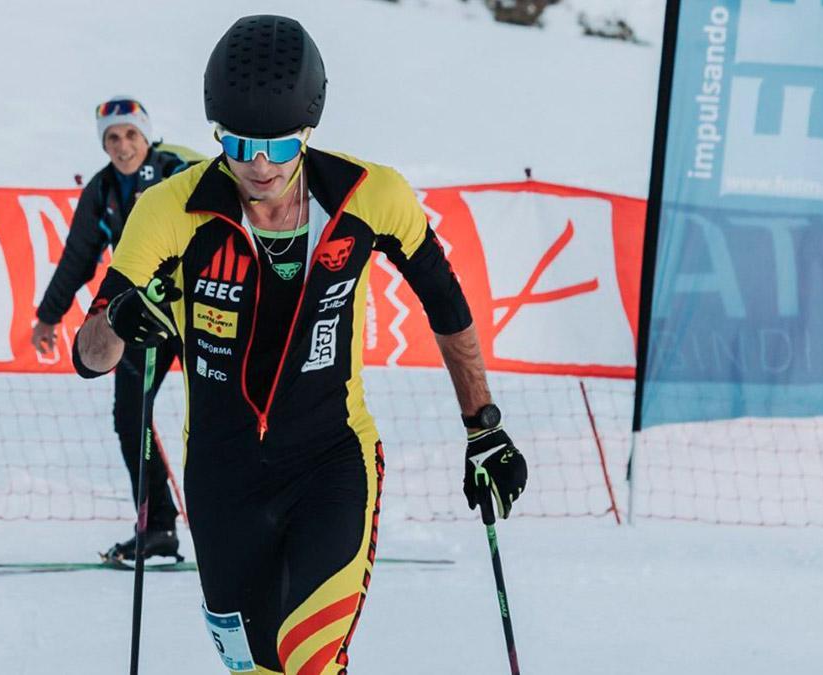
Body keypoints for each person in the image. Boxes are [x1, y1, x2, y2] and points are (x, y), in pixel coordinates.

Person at [74, 15, 528, 674]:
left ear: (308, 135)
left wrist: (482, 424)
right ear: (215, 133)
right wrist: (119, 318)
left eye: (280, 148)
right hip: (223, 479)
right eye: (238, 144)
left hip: (331, 462)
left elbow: (447, 304)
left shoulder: (372, 195)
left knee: (308, 661)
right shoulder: (170, 209)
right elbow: (90, 356)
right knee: (258, 669)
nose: (259, 166)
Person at [33, 96, 193, 562]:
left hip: (202, 311)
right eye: (112, 138)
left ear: (146, 135)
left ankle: (247, 519)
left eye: (130, 135)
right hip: (145, 317)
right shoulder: (102, 190)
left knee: (222, 415)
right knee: (130, 418)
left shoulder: (180, 169)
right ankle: (158, 527)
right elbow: (79, 257)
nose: (123, 146)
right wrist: (48, 316)